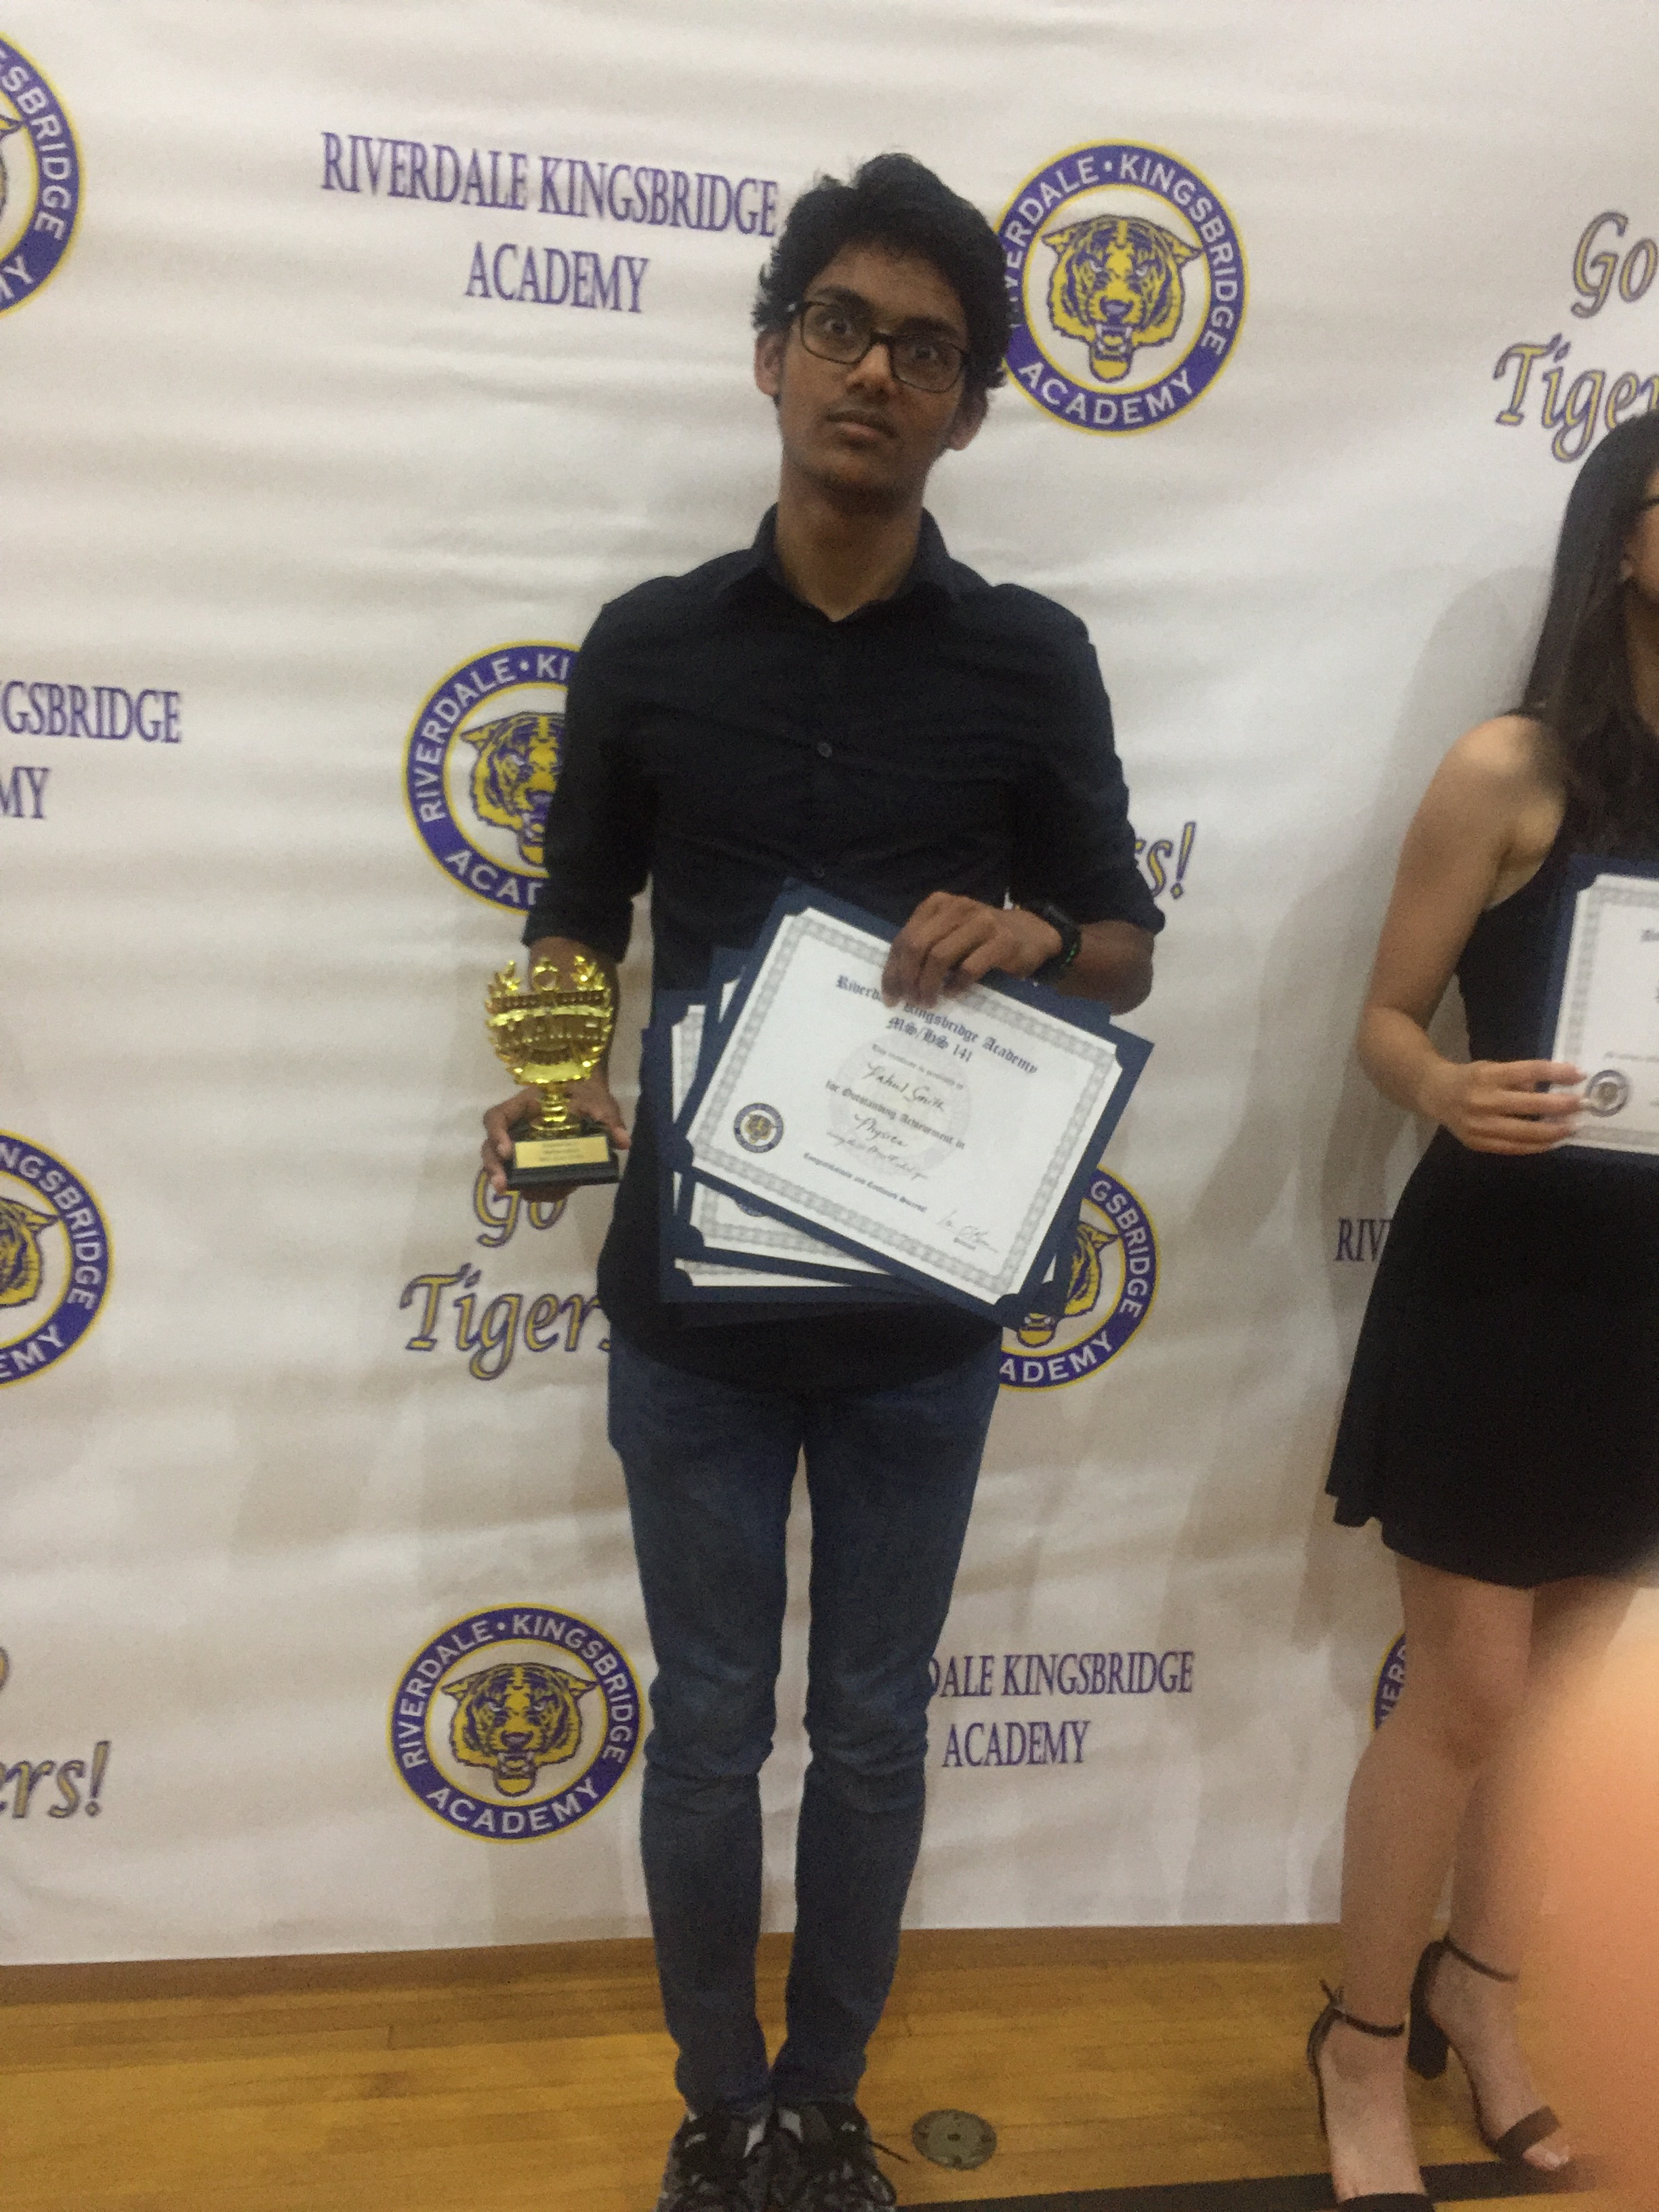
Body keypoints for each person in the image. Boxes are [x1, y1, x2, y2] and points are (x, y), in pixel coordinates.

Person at [480, 155, 1161, 2212]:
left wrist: (1034, 935)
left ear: (971, 410)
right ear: (772, 355)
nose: (875, 374)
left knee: (869, 1728)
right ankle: (722, 2113)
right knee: (705, 1726)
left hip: (921, 1311)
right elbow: (575, 922)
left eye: (925, 351)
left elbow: (1123, 942)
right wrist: (550, 1086)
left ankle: (831, 2103)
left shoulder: (1032, 658)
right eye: (842, 329)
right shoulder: (647, 645)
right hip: (691, 1307)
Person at [1310, 411, 1659, 2209]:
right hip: (1503, 1280)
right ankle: (1361, 2045)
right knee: (1466, 1691)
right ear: (1624, 539)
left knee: (1574, 1697)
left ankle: (1487, 1998)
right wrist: (1446, 1089)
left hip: (1649, 1304)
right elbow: (1386, 1018)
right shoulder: (1513, 768)